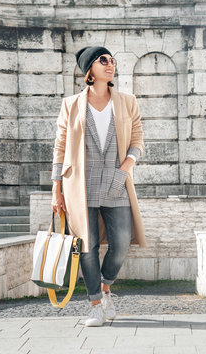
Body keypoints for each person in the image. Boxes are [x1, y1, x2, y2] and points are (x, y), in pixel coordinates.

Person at [50, 46, 147, 327]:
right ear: (89, 70)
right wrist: (56, 189)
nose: (110, 64)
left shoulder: (127, 101)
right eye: (103, 60)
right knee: (87, 247)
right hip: (80, 185)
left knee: (120, 245)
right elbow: (60, 147)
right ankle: (94, 305)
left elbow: (138, 140)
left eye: (113, 60)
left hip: (117, 182)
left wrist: (126, 168)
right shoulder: (71, 104)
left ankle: (105, 289)